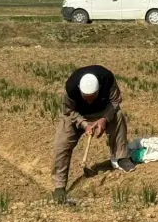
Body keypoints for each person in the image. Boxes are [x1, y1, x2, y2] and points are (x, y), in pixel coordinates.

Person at [51, 65, 129, 202]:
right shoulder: (71, 87)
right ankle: (59, 186)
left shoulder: (107, 79)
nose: (89, 101)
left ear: (99, 89)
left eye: (92, 97)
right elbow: (68, 111)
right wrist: (84, 124)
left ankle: (121, 158)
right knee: (61, 143)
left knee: (118, 116)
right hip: (76, 114)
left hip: (102, 112)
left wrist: (104, 119)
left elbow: (115, 101)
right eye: (86, 98)